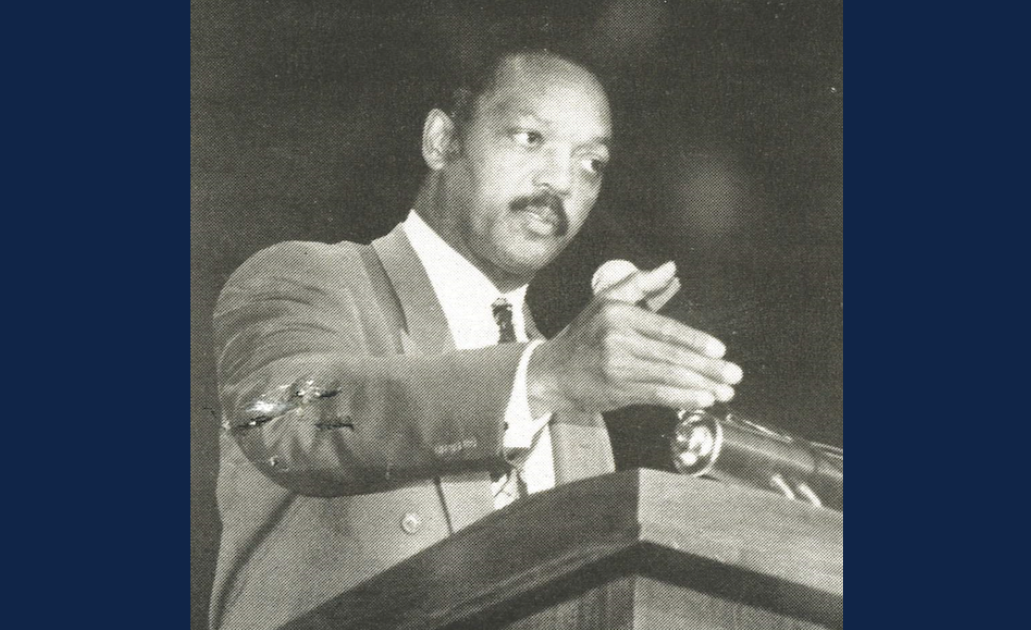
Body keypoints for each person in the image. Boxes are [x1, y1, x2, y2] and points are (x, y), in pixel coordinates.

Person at [208, 48, 743, 630]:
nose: (560, 181)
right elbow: (285, 420)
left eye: (591, 163)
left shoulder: (579, 413)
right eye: (529, 137)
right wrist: (538, 378)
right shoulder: (310, 278)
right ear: (442, 141)